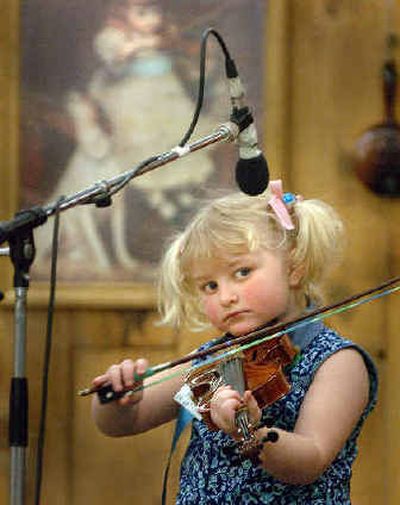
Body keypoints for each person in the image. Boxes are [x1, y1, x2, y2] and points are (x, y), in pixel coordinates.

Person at [91, 180, 378, 504]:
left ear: (294, 268)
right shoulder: (215, 359)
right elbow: (126, 422)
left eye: (242, 272)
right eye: (210, 285)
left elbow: (310, 459)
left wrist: (250, 433)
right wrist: (115, 398)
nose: (226, 297)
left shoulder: (336, 361)